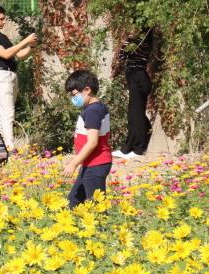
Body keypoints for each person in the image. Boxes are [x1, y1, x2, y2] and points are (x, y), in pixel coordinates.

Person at [0, 5, 37, 148]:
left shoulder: (3, 37)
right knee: (8, 112)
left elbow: (19, 55)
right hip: (1, 75)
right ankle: (11, 148)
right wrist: (25, 41)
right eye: (1, 19)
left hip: (11, 75)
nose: (4, 22)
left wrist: (31, 47)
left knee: (1, 114)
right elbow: (6, 54)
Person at [63, 70, 112, 208]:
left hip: (96, 164)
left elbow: (92, 142)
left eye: (74, 94)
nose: (73, 98)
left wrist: (73, 164)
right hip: (90, 164)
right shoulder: (96, 107)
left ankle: (103, 229)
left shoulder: (93, 111)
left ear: (87, 90)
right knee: (73, 202)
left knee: (98, 207)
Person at [113, 29, 153, 159]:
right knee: (135, 114)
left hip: (138, 77)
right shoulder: (146, 39)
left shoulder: (137, 40)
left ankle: (137, 149)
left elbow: (122, 55)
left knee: (135, 115)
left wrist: (128, 39)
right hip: (140, 77)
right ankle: (129, 148)